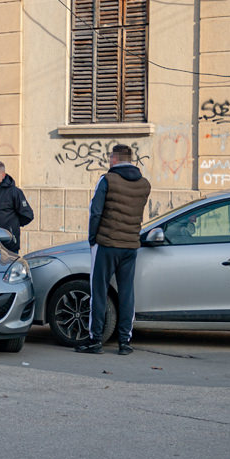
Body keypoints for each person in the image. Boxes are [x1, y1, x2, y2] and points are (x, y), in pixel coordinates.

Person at [76, 144, 151, 355]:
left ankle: (95, 340)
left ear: (115, 159)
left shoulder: (107, 179)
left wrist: (93, 238)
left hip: (106, 244)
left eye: (110, 158)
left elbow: (95, 211)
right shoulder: (144, 184)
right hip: (129, 246)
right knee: (127, 292)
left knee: (98, 290)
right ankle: (125, 342)